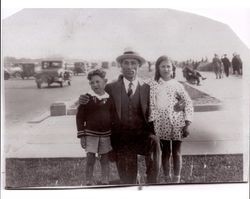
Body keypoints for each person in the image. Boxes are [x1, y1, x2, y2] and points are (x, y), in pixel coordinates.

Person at [79, 48, 163, 185]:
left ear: (138, 66)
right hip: (122, 140)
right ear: (121, 66)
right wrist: (84, 100)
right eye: (126, 63)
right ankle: (131, 181)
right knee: (129, 183)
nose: (130, 67)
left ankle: (152, 183)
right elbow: (96, 97)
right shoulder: (111, 88)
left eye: (133, 63)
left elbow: (152, 112)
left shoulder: (146, 88)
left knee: (155, 141)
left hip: (141, 136)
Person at [147, 56, 193, 183]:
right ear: (157, 68)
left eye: (168, 66)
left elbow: (188, 102)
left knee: (177, 152)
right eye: (163, 66)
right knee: (166, 152)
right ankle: (167, 178)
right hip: (161, 124)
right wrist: (152, 124)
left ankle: (177, 179)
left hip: (178, 123)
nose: (166, 69)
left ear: (173, 68)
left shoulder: (177, 85)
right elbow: (150, 104)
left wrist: (187, 122)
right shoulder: (152, 84)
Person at [76, 69, 115, 185]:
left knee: (105, 158)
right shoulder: (87, 99)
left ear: (105, 82)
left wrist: (113, 133)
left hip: (106, 134)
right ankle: (88, 180)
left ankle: (105, 180)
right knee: (90, 159)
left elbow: (113, 117)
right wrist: (82, 135)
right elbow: (79, 118)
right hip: (90, 134)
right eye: (92, 83)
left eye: (98, 82)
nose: (95, 85)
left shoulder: (109, 99)